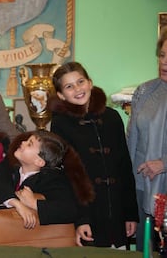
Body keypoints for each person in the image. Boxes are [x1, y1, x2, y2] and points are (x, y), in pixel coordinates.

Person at [48, 61, 139, 248]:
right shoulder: (60, 124)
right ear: (60, 95)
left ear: (90, 83)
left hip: (118, 212)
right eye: (69, 86)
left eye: (80, 82)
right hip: (89, 213)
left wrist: (130, 213)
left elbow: (124, 167)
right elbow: (69, 175)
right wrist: (81, 219)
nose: (77, 89)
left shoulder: (112, 118)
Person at [0, 130, 94, 229]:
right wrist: (17, 204)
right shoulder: (9, 165)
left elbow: (69, 210)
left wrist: (34, 203)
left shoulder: (52, 179)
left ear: (39, 162)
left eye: (29, 144)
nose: (22, 142)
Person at [127, 28, 167, 251]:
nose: (164, 62)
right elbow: (131, 140)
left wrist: (163, 164)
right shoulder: (145, 91)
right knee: (145, 250)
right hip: (143, 187)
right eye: (162, 55)